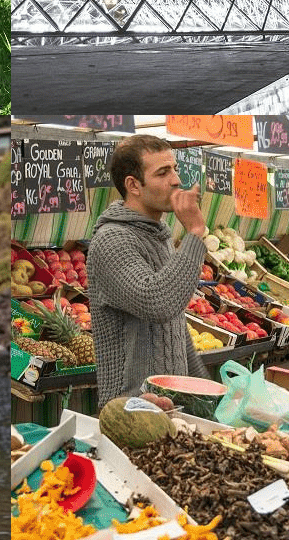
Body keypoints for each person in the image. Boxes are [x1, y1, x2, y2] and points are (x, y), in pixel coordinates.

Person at [87, 134, 209, 407]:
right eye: (163, 173)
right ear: (133, 185)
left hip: (170, 402)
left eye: (175, 169)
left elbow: (174, 325)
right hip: (130, 406)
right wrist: (194, 232)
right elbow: (158, 302)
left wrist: (205, 393)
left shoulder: (159, 235)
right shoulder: (112, 240)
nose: (176, 180)